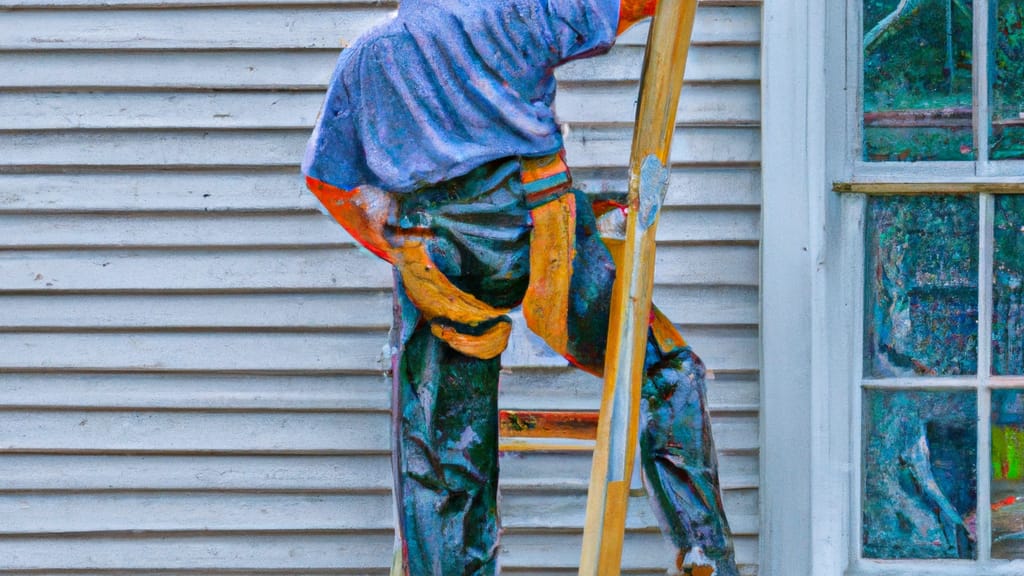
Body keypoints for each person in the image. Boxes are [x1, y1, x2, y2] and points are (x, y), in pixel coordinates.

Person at [301, 0, 738, 574]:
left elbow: (329, 183)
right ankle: (701, 545)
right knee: (662, 371)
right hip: (539, 234)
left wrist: (398, 248)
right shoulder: (513, 11)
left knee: (441, 458)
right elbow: (630, 4)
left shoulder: (365, 59)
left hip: (437, 259)